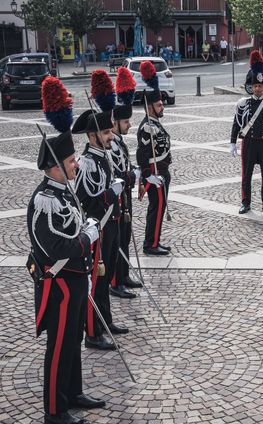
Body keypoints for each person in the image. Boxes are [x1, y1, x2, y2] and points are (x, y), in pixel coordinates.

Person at [30, 76, 105, 424]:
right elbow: (55, 247)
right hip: (58, 282)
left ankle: (72, 393)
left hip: (75, 280)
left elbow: (72, 227)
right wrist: (88, 237)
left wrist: (86, 224)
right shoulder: (45, 200)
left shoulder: (62, 194)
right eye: (71, 161)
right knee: (58, 346)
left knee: (73, 338)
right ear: (55, 166)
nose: (76, 166)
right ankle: (54, 410)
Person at [73, 100, 129, 351]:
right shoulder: (86, 162)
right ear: (93, 135)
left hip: (112, 225)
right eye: (106, 133)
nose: (110, 137)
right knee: (96, 282)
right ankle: (93, 333)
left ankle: (105, 322)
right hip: (100, 228)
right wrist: (110, 193)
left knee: (106, 280)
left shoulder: (103, 156)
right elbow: (84, 200)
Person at [230, 50, 263, 214]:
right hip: (249, 143)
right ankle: (246, 203)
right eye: (255, 86)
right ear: (251, 87)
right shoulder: (243, 104)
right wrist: (232, 142)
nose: (258, 89)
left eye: (260, 86)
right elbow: (236, 124)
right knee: (246, 175)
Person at [109, 67, 142, 299]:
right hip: (117, 197)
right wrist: (132, 176)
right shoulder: (111, 144)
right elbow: (117, 172)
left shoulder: (119, 142)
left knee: (126, 234)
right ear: (116, 122)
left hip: (125, 196)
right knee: (117, 239)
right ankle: (115, 281)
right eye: (126, 121)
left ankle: (124, 274)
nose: (130, 125)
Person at [136, 60, 172, 255]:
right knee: (156, 210)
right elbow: (142, 154)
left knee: (159, 209)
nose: (162, 107)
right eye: (159, 105)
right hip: (156, 174)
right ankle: (150, 245)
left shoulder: (155, 123)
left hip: (162, 172)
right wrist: (148, 174)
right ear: (149, 107)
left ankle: (155, 240)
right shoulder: (147, 126)